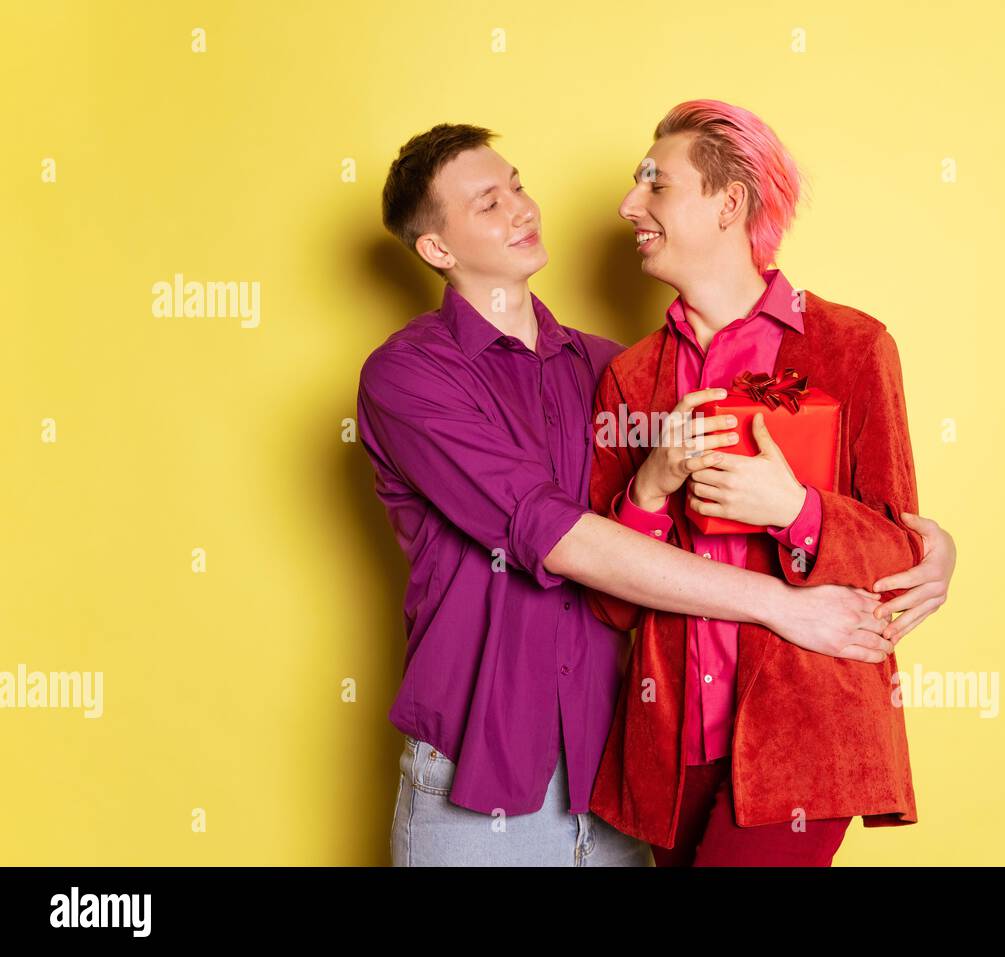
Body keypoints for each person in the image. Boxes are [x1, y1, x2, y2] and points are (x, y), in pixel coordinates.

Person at [356, 121, 955, 866]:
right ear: (438, 249)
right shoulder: (410, 375)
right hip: (483, 776)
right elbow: (564, 539)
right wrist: (764, 584)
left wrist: (930, 551)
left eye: (516, 185)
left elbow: (885, 533)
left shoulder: (606, 369)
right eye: (488, 203)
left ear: (730, 206)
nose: (522, 208)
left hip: (610, 774)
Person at [585, 99, 953, 866]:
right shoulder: (630, 377)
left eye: (656, 184)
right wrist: (649, 486)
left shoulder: (854, 346)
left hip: (808, 739)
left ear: (728, 203)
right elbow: (611, 600)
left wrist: (798, 511)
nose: (629, 205)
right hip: (672, 743)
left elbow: (900, 557)